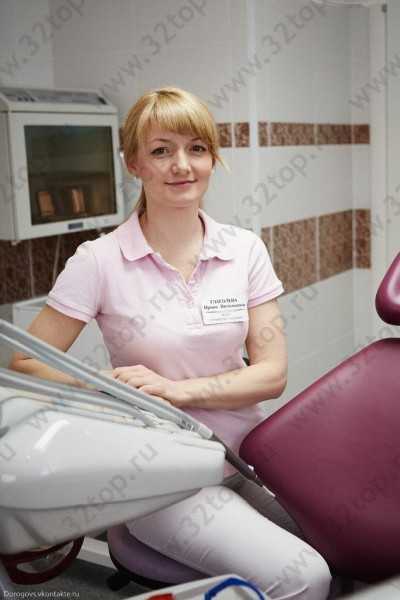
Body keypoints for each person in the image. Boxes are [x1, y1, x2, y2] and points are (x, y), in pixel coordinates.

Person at [9, 87, 331, 599]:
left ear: (212, 158)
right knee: (305, 578)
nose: (182, 165)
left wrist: (176, 391)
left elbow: (271, 375)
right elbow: (24, 362)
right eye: (161, 150)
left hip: (247, 457)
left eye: (196, 148)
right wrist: (104, 387)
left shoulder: (243, 250)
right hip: (159, 478)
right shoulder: (99, 261)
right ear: (133, 163)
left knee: (345, 551)